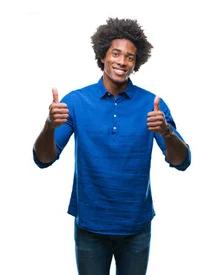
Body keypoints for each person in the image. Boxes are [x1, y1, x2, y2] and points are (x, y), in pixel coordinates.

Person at [33, 17, 191, 275]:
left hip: (136, 226)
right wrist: (49, 126)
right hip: (90, 227)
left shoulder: (152, 104)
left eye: (129, 57)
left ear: (136, 62)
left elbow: (181, 161)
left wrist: (166, 131)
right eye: (115, 53)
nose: (122, 61)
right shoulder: (76, 101)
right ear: (102, 55)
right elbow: (43, 159)